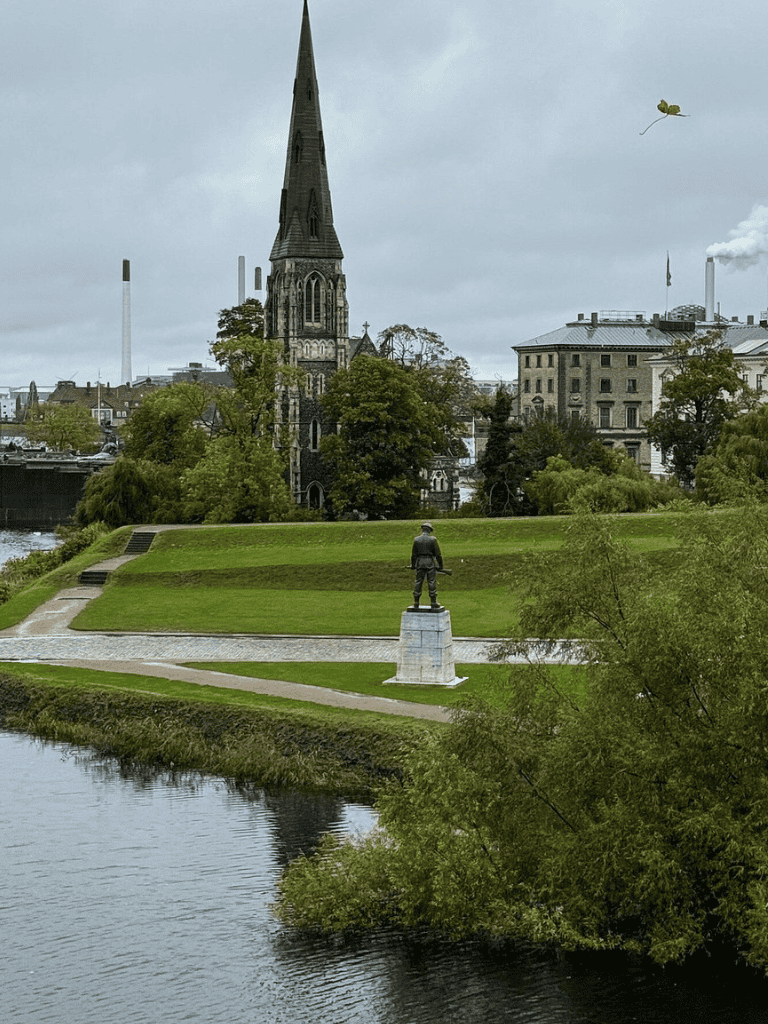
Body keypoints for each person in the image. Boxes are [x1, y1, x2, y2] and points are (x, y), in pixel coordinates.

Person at [410, 521, 443, 609]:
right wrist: (440, 566)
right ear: (429, 530)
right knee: (431, 582)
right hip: (429, 562)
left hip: (420, 562)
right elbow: (438, 555)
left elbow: (413, 555)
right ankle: (433, 602)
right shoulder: (433, 539)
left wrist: (413, 565)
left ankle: (416, 602)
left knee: (418, 582)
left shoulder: (416, 540)